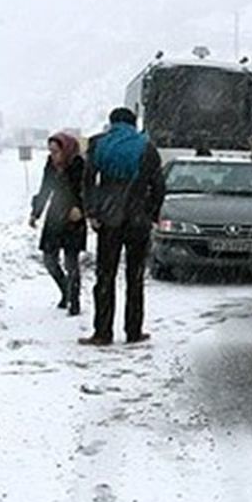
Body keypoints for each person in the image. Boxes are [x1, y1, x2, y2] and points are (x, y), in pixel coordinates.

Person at [79, 107, 165, 346]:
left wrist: (92, 212)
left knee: (105, 277)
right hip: (138, 221)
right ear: (133, 123)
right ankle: (133, 331)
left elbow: (88, 182)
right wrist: (152, 213)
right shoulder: (147, 147)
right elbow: (158, 186)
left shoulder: (99, 144)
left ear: (112, 122)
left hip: (109, 220)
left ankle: (102, 332)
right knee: (134, 278)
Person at [30, 131, 87, 315]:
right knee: (49, 260)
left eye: (56, 151)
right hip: (55, 217)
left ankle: (75, 300)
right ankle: (66, 291)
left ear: (66, 150)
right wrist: (35, 213)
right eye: (51, 151)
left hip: (73, 218)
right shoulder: (51, 165)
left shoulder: (79, 165)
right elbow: (45, 189)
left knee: (71, 262)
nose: (53, 155)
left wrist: (81, 208)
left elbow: (89, 191)